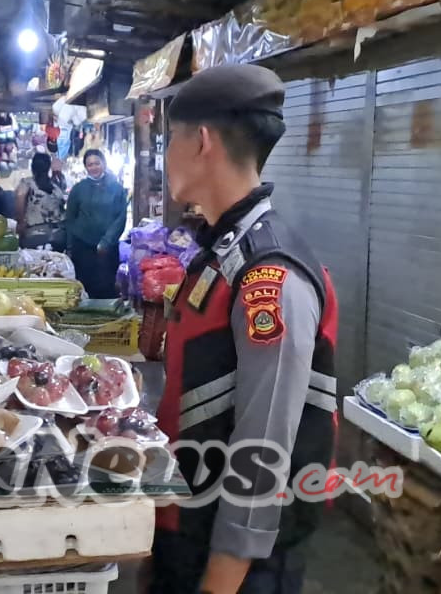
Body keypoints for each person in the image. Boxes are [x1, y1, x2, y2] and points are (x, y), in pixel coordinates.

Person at [152, 64, 338, 594]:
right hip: (188, 525)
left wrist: (220, 580)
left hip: (236, 563)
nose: (165, 157)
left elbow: (264, 450)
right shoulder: (223, 249)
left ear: (201, 141)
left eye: (170, 140)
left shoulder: (267, 274)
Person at [65, 149, 128, 298]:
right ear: (85, 167)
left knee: (106, 288)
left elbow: (121, 217)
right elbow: (70, 218)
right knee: (85, 289)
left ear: (104, 163)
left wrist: (106, 241)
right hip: (83, 248)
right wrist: (69, 246)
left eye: (97, 163)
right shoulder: (78, 189)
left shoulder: (116, 189)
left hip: (107, 249)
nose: (94, 167)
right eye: (90, 164)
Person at [14, 152, 67, 251]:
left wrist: (20, 222)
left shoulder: (27, 183)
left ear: (32, 167)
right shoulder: (56, 186)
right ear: (48, 168)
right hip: (59, 235)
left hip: (34, 236)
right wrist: (57, 172)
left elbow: (20, 197)